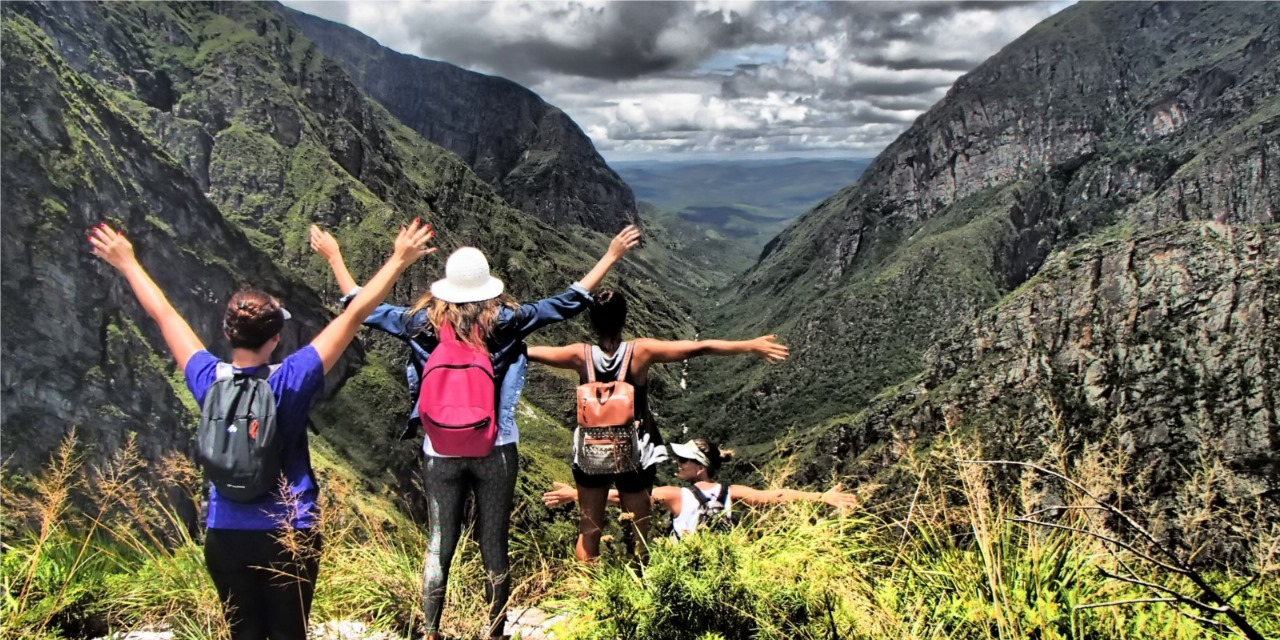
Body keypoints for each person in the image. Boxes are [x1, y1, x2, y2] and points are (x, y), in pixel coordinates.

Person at [88, 219, 437, 640]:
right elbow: (357, 312)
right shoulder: (292, 377)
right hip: (290, 529)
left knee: (244, 634)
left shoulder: (206, 378)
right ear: (276, 338)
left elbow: (164, 313)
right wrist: (399, 259)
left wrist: (127, 263)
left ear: (227, 333)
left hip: (225, 531)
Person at [310, 224, 641, 640]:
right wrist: (610, 254)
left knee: (438, 543)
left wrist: (335, 257)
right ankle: (496, 630)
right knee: (494, 540)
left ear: (444, 288)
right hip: (497, 447)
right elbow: (569, 301)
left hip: (439, 448)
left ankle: (431, 630)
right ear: (489, 288)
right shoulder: (507, 320)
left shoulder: (418, 323)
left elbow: (359, 305)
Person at [525, 293, 789, 562]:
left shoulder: (577, 354)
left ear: (592, 322)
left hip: (591, 453)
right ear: (624, 319)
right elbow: (698, 348)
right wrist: (750, 345)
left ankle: (585, 591)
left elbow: (527, 352)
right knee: (640, 532)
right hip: (636, 453)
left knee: (589, 531)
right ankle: (636, 582)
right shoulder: (640, 351)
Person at [542, 438, 858, 540]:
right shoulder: (732, 492)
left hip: (682, 574)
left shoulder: (674, 495)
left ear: (701, 467)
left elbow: (619, 498)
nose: (679, 464)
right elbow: (776, 496)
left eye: (685, 460)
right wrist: (822, 497)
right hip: (724, 568)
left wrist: (575, 494)